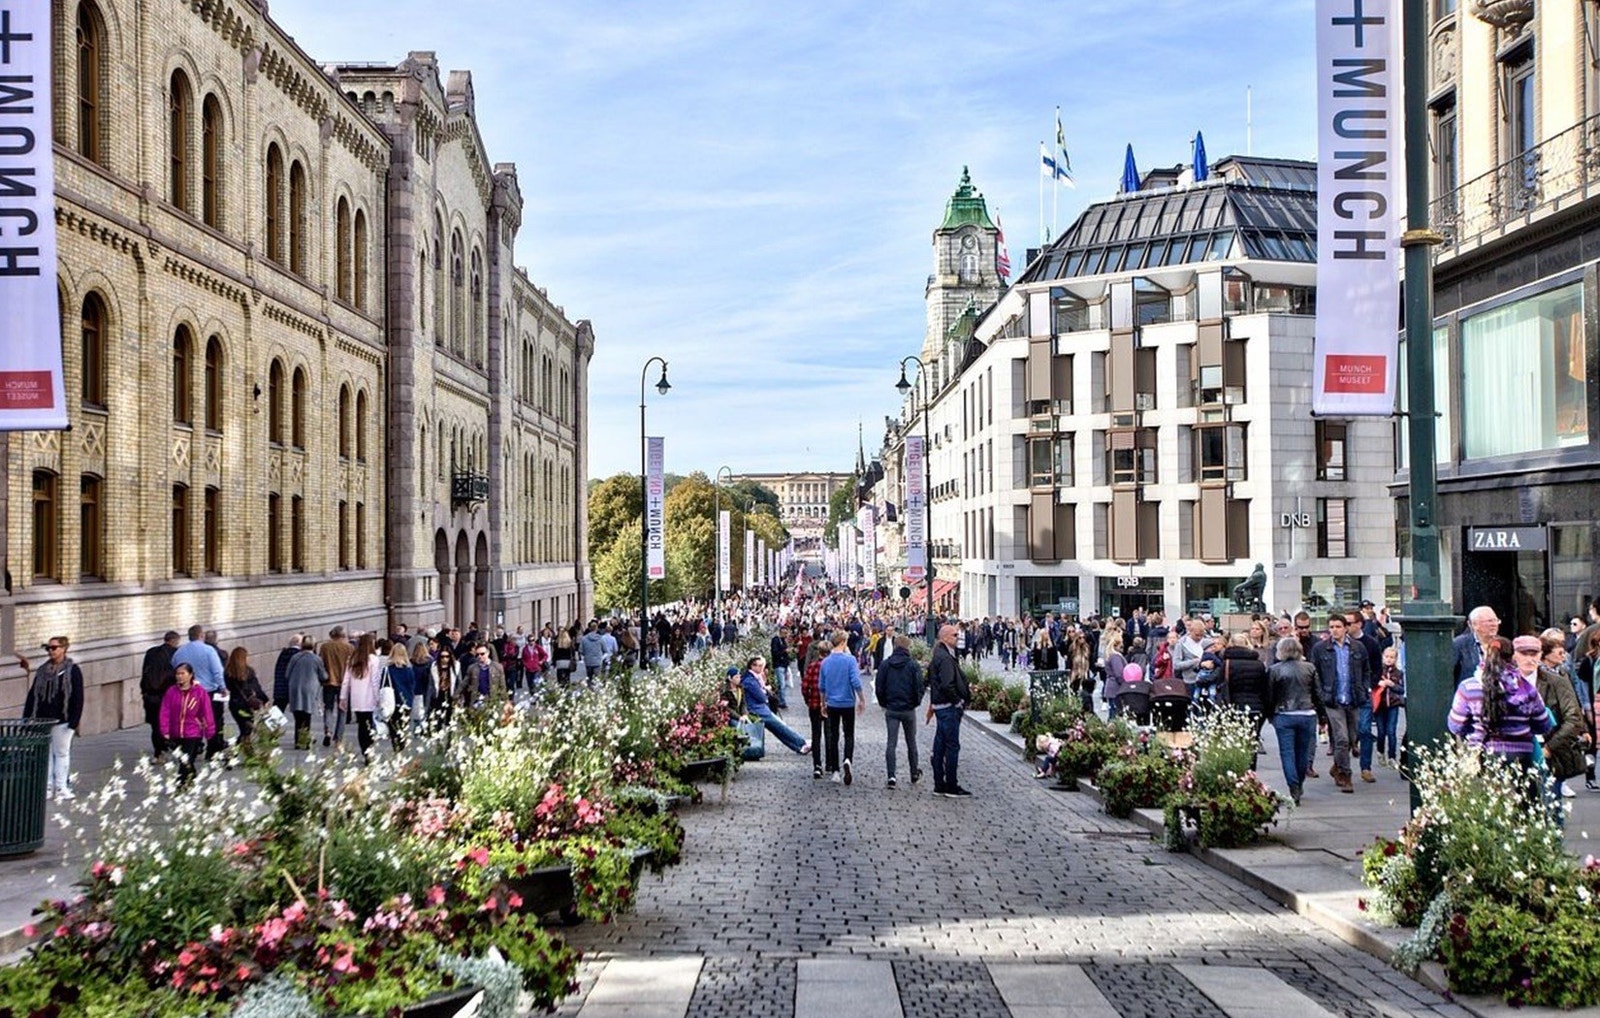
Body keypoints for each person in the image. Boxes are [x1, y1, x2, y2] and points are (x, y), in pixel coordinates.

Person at [1450, 637, 1552, 792]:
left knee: (1488, 805)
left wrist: (1472, 730)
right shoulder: (1526, 688)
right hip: (1522, 754)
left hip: (1483, 755)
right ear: (1512, 657)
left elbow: (1456, 725)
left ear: (1485, 654)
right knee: (1524, 806)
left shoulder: (1468, 687)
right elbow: (1543, 724)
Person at [1309, 613, 1372, 792]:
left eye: (1338, 626)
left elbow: (1366, 670)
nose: (1334, 630)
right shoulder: (1321, 649)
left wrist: (1365, 688)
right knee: (1341, 738)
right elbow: (1315, 673)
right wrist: (1320, 695)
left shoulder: (1358, 647)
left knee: (1353, 737)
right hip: (1333, 699)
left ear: (1345, 628)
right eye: (1331, 627)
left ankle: (1337, 765)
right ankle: (1345, 775)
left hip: (1353, 697)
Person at [21, 636, 85, 800]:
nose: (50, 651)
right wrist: (27, 719)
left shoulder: (72, 670)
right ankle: (48, 787)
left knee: (61, 753)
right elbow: (33, 695)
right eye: (48, 648)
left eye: (54, 648)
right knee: (47, 754)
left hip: (63, 720)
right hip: (43, 720)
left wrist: (74, 722)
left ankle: (61, 787)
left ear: (64, 649)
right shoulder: (43, 670)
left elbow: (78, 697)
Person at [1267, 637, 1322, 804]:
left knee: (1287, 753)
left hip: (1284, 714)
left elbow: (1270, 695)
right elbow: (1317, 693)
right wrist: (1323, 715)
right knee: (1303, 752)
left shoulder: (1274, 670)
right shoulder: (1309, 668)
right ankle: (1299, 781)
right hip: (1307, 712)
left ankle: (1293, 786)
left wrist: (1270, 715)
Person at [1534, 630, 1586, 803]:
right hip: (1538, 738)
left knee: (1552, 793)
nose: (1564, 657)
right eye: (1559, 653)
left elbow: (1573, 704)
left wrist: (1583, 727)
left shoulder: (1561, 675)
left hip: (1554, 737)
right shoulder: (1533, 677)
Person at [926, 623, 972, 798]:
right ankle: (950, 785)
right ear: (944, 637)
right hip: (947, 707)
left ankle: (940, 784)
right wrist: (957, 701)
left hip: (941, 706)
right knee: (951, 746)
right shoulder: (944, 657)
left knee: (940, 745)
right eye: (954, 635)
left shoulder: (941, 654)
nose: (958, 637)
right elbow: (946, 683)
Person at [874, 635, 924, 788]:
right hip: (908, 709)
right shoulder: (913, 665)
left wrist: (884, 703)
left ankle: (891, 776)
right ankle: (914, 773)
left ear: (895, 646)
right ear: (907, 647)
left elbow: (879, 687)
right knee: (911, 742)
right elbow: (919, 687)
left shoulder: (885, 665)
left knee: (891, 743)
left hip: (892, 708)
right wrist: (915, 702)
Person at [173, 623, 227, 758]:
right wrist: (223, 687)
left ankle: (194, 748)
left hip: (188, 691)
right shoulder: (209, 650)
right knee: (213, 721)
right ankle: (212, 751)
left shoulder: (180, 651)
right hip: (208, 691)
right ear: (201, 635)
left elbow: (174, 666)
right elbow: (217, 671)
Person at [819, 631, 866, 785]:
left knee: (833, 736)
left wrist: (822, 703)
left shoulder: (826, 662)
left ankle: (835, 771)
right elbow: (855, 681)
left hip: (832, 703)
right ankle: (847, 759)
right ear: (843, 643)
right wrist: (861, 699)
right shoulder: (850, 660)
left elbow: (822, 686)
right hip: (847, 702)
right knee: (849, 734)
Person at [739, 656, 811, 756]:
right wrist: (766, 691)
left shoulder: (755, 678)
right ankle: (801, 744)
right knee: (781, 727)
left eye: (762, 666)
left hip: (760, 709)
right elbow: (762, 697)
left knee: (779, 729)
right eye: (759, 666)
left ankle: (799, 746)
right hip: (759, 710)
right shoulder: (750, 680)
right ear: (752, 666)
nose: (761, 668)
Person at [1220, 632, 1270, 767]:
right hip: (1255, 707)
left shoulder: (1226, 664)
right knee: (1252, 740)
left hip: (1233, 706)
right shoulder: (1258, 665)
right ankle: (1251, 770)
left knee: (1235, 740)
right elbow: (1264, 688)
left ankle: (1237, 770)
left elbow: (1220, 684)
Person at [159, 662, 215, 785]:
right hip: (175, 731)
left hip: (193, 731)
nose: (179, 676)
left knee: (186, 759)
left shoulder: (199, 692)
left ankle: (180, 783)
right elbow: (165, 711)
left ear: (190, 675)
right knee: (183, 759)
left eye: (182, 673)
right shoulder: (171, 691)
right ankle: (192, 776)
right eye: (177, 674)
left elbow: (207, 711)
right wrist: (165, 730)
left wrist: (209, 730)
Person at [140, 630, 181, 759]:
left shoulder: (151, 652)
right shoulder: (175, 654)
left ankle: (159, 752)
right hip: (167, 694)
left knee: (155, 725)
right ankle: (170, 744)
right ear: (175, 641)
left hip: (150, 695)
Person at [223, 646, 270, 749]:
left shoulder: (227, 672)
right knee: (246, 730)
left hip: (234, 704)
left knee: (244, 729)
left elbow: (228, 687)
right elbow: (256, 688)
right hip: (247, 705)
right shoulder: (248, 671)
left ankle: (247, 751)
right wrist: (265, 699)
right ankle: (232, 754)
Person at [285, 635, 326, 750]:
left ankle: (298, 741)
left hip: (295, 688)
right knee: (307, 716)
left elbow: (287, 674)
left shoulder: (295, 657)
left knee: (298, 716)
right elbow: (323, 676)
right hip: (309, 689)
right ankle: (305, 740)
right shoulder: (316, 659)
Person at [317, 626, 354, 748]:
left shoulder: (325, 647)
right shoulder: (349, 647)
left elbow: (320, 663)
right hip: (344, 682)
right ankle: (338, 739)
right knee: (342, 710)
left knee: (328, 707)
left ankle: (328, 731)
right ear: (343, 635)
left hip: (329, 681)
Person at [1372, 645, 1406, 767]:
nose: (1389, 659)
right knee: (1381, 731)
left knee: (1391, 731)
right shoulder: (1378, 671)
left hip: (1393, 705)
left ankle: (1392, 756)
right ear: (1382, 657)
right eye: (1387, 656)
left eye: (1392, 657)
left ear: (1396, 659)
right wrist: (1378, 683)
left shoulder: (1399, 673)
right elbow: (1372, 683)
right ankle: (1380, 752)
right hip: (1380, 705)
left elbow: (1402, 690)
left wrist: (1392, 684)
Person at [800, 638, 828, 778]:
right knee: (830, 734)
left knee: (816, 735)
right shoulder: (832, 667)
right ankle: (830, 763)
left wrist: (808, 700)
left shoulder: (812, 666)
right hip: (830, 705)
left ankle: (817, 765)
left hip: (815, 704)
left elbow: (805, 687)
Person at [1451, 605, 1500, 687]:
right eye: (1489, 621)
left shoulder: (1502, 644)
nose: (1494, 624)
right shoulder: (1459, 644)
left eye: (1496, 621)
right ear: (1473, 625)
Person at [457, 641, 506, 710]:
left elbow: (502, 686)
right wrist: (456, 695)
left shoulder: (497, 667)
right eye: (477, 654)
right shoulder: (472, 668)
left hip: (492, 701)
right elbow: (464, 684)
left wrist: (505, 701)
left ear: (488, 653)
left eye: (482, 654)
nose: (480, 656)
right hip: (477, 701)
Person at [386, 642, 416, 750]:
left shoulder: (388, 670)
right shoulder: (409, 670)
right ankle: (401, 743)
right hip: (406, 700)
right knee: (403, 724)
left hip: (392, 701)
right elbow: (412, 685)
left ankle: (395, 745)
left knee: (393, 726)